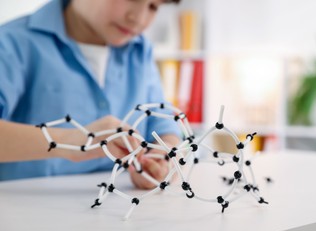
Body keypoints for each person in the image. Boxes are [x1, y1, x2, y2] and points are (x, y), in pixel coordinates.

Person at [0, 0, 182, 188]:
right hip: (27, 206)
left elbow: (163, 125)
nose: (138, 18)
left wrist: (160, 160)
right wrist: (71, 141)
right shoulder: (11, 43)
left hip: (118, 207)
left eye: (153, 6)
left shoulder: (140, 50)